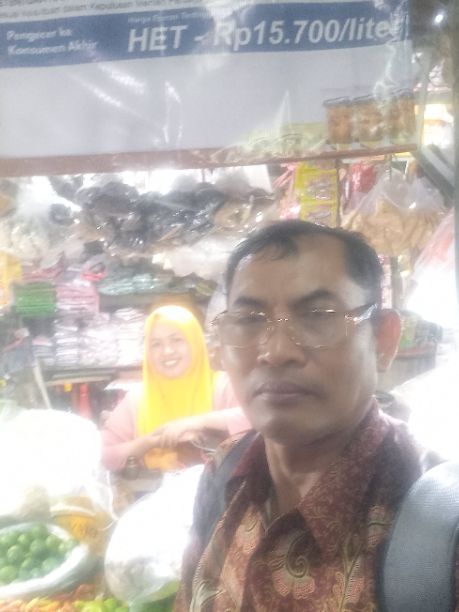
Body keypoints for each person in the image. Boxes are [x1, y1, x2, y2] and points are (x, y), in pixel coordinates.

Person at [174, 220, 447, 611]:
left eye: (318, 315)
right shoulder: (225, 472)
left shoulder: (440, 524)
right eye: (250, 319)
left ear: (383, 340)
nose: (276, 351)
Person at [101, 304, 248, 472]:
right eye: (156, 344)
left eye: (177, 340)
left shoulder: (222, 386)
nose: (167, 351)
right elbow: (102, 455)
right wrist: (153, 440)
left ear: (195, 343)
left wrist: (195, 423)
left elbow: (255, 418)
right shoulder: (137, 399)